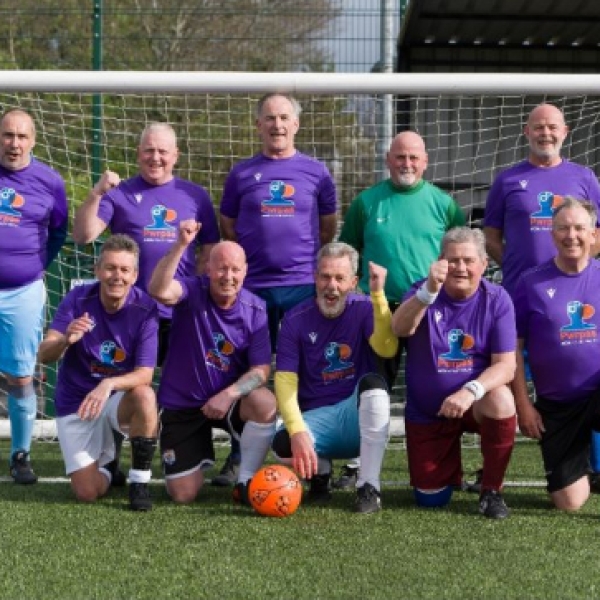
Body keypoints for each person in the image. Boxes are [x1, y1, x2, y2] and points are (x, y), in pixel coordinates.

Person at [72, 122, 222, 478]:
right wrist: (96, 193)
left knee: (181, 386)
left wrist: (196, 291)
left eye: (163, 151)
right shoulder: (120, 193)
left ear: (176, 156)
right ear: (138, 153)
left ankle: (178, 458)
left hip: (180, 311)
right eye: (149, 150)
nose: (156, 157)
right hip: (131, 314)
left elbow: (210, 249)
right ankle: (111, 458)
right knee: (124, 383)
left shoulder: (195, 195)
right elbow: (83, 234)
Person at [218, 93, 337, 486]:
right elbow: (229, 228)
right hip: (252, 291)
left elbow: (326, 226)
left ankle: (315, 455)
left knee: (309, 370)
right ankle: (239, 456)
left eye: (284, 117)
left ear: (296, 124)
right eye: (269, 118)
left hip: (302, 286)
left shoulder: (316, 172)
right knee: (245, 369)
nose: (277, 125)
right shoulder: (241, 173)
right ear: (258, 125)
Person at [337, 130, 465, 488]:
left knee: (432, 385)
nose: (406, 163)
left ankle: (442, 462)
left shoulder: (444, 203)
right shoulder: (367, 203)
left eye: (413, 158)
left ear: (425, 161)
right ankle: (356, 463)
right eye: (400, 157)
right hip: (378, 310)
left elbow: (462, 253)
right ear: (388, 159)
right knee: (373, 385)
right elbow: (348, 252)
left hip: (429, 310)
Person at [484, 102, 600, 483]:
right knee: (515, 373)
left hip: (577, 293)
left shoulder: (584, 177)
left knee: (582, 370)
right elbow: (491, 236)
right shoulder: (507, 180)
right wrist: (524, 270)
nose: (545, 133)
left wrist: (574, 269)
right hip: (523, 295)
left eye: (552, 127)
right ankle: (494, 471)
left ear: (565, 132)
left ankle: (592, 466)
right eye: (538, 127)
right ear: (526, 131)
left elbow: (594, 235)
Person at [392, 227, 516, 519]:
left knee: (501, 401)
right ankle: (450, 471)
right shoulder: (421, 291)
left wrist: (470, 391)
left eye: (469, 260)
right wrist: (427, 294)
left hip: (474, 404)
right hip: (428, 412)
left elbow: (506, 366)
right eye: (453, 260)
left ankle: (491, 490)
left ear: (484, 265)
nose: (461, 267)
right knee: (431, 500)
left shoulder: (497, 299)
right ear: (440, 262)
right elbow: (399, 328)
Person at [148, 224, 277, 505]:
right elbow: (157, 289)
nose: (228, 276)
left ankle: (245, 481)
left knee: (265, 402)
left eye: (234, 270)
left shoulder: (255, 309)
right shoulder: (192, 291)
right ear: (208, 269)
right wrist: (181, 245)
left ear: (244, 272)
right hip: (182, 404)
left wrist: (229, 394)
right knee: (182, 495)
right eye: (221, 268)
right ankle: (194, 455)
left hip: (226, 402)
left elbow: (261, 370)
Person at [271, 242, 397, 514]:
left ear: (353, 282)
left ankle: (368, 486)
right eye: (325, 276)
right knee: (282, 445)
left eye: (340, 278)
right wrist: (297, 431)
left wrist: (378, 294)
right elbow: (285, 380)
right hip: (317, 420)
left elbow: (387, 347)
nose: (332, 285)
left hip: (356, 418)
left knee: (375, 386)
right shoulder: (295, 319)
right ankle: (321, 475)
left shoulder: (365, 308)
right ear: (315, 278)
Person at [37, 235, 159, 511]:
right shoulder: (77, 298)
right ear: (97, 270)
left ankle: (139, 482)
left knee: (145, 396)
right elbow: (44, 354)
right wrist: (65, 340)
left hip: (115, 398)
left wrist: (108, 385)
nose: (117, 276)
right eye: (111, 268)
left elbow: (144, 374)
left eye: (125, 270)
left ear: (135, 275)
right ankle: (109, 464)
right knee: (87, 493)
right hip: (77, 401)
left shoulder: (145, 309)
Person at [513, 198, 600, 511]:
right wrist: (523, 405)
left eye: (579, 228)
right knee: (569, 503)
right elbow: (513, 347)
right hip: (558, 405)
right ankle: (585, 469)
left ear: (594, 235)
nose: (571, 235)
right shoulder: (531, 282)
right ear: (552, 235)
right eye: (563, 228)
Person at [0, 108, 68, 484]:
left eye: (22, 136)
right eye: (8, 135)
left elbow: (58, 232)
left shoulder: (50, 182)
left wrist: (30, 263)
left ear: (33, 140)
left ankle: (21, 454)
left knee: (21, 377)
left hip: (22, 292)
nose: (14, 143)